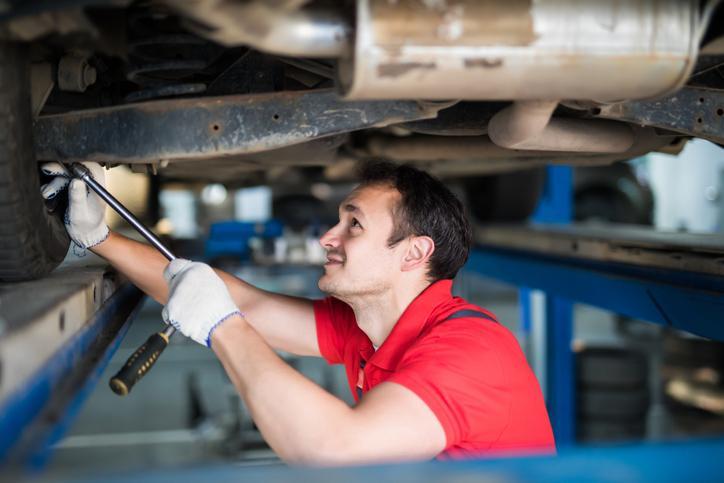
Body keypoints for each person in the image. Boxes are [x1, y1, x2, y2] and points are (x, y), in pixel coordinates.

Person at [40, 161, 555, 465]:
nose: (326, 239)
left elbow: (333, 449)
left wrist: (223, 328)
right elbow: (245, 302)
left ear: (414, 253)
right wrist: (98, 238)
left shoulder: (471, 354)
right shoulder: (371, 327)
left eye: (352, 225)